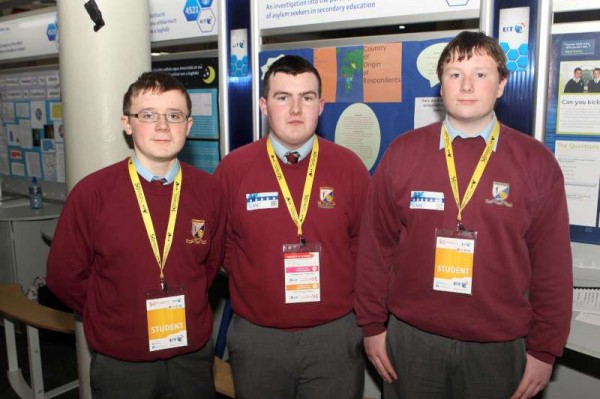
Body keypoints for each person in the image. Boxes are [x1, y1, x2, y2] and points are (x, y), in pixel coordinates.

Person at [355, 31, 572, 399]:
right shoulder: (402, 153)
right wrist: (372, 326)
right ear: (440, 86)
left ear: (501, 84)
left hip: (498, 349)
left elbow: (552, 266)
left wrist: (544, 349)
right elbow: (375, 249)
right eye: (455, 74)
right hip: (411, 341)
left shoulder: (536, 163)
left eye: (481, 74)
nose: (467, 85)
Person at [46, 71, 225, 399]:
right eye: (148, 115)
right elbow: (63, 276)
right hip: (122, 365)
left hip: (192, 358)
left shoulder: (209, 190)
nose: (162, 126)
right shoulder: (93, 193)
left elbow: (209, 268)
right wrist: (111, 308)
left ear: (188, 125)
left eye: (174, 116)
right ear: (127, 123)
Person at [214, 55, 370, 399]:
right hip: (258, 338)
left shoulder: (349, 167)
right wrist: (251, 274)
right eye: (283, 97)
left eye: (307, 97)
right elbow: (218, 243)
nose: (296, 108)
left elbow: (365, 244)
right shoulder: (233, 169)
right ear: (264, 105)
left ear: (321, 106)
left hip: (334, 335)